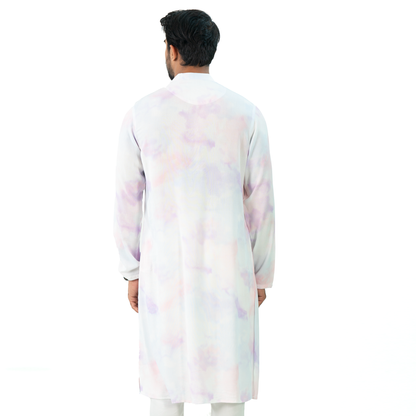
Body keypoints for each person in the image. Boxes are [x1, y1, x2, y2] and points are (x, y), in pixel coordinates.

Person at [113, 9, 276, 416]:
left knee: (166, 388)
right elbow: (261, 203)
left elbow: (127, 200)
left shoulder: (142, 114)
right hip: (231, 271)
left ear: (172, 50)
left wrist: (131, 270)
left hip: (163, 272)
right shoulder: (246, 114)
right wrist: (260, 274)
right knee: (229, 386)